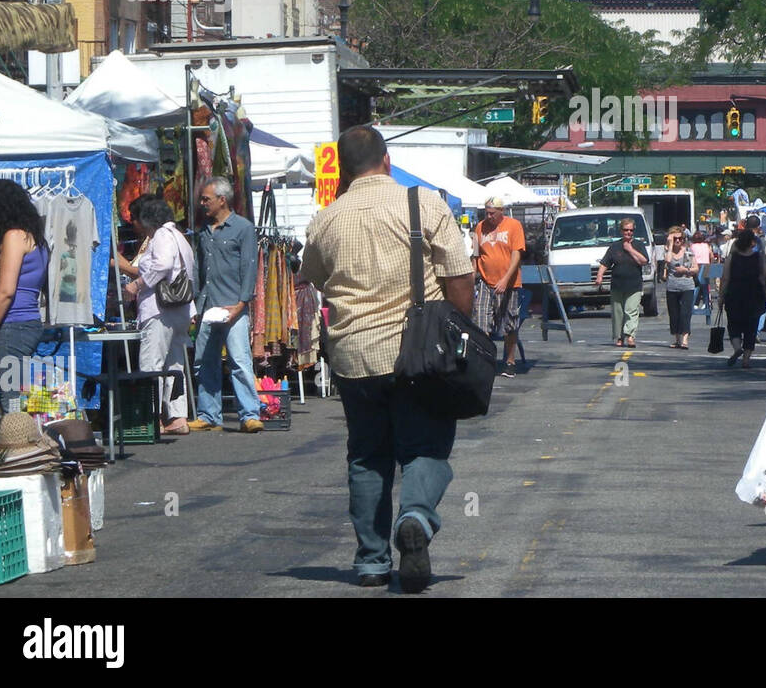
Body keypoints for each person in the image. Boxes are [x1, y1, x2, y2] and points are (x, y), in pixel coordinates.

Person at [299, 125, 474, 592]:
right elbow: (459, 279)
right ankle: (414, 516)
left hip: (354, 358)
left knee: (367, 457)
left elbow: (312, 277)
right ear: (387, 160)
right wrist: (456, 335)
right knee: (424, 450)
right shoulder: (425, 204)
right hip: (418, 356)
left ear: (342, 169)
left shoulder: (325, 219)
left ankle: (372, 562)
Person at [189, 177, 263, 433]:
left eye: (206, 199)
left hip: (234, 306)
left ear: (222, 199)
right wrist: (196, 305)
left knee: (239, 361)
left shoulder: (243, 228)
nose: (202, 203)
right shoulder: (203, 231)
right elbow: (199, 268)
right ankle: (209, 415)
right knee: (204, 360)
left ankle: (249, 414)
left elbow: (249, 267)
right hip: (208, 305)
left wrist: (242, 303)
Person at [122, 197, 194, 435]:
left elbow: (162, 265)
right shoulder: (179, 236)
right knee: (174, 364)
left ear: (146, 219)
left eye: (135, 218)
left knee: (151, 365)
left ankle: (152, 417)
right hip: (180, 310)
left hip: (159, 310)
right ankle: (177, 416)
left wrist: (138, 285)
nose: (133, 224)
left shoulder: (162, 236)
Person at [0, 180, 49, 406]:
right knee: (11, 397)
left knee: (11, 401)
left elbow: (6, 292)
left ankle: (17, 440)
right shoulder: (32, 236)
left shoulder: (15, 236)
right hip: (19, 324)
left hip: (13, 326)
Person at [471, 197, 525, 379]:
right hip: (486, 282)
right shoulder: (480, 227)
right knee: (481, 322)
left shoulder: (514, 226)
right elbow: (476, 255)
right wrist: (472, 277)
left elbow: (516, 254)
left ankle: (510, 361)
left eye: (492, 213)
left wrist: (506, 279)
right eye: (486, 212)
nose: (489, 216)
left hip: (509, 283)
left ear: (501, 211)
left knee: (510, 324)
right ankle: (485, 361)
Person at [720, 224, 766, 367]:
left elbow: (725, 278)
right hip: (754, 294)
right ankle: (746, 359)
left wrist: (721, 296)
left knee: (734, 324)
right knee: (751, 326)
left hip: (734, 293)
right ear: (752, 243)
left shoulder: (732, 258)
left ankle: (737, 348)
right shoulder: (758, 258)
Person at [595, 219, 648, 348]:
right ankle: (619, 337)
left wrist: (630, 249)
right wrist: (599, 276)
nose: (628, 232)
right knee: (618, 313)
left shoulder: (639, 245)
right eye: (626, 230)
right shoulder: (614, 246)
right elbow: (605, 263)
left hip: (634, 285)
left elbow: (644, 261)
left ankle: (630, 336)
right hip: (617, 285)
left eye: (631, 230)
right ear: (621, 231)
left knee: (631, 311)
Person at [664, 226, 697, 349]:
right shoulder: (668, 250)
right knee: (674, 314)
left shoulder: (688, 251)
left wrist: (685, 270)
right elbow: (667, 261)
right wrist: (670, 244)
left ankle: (685, 339)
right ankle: (677, 339)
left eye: (680, 238)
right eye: (675, 238)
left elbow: (696, 269)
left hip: (687, 286)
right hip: (672, 287)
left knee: (685, 313)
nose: (678, 241)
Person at [689, 231, 712, 310]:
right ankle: (707, 302)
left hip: (697, 265)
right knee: (705, 285)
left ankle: (695, 302)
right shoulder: (706, 245)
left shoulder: (692, 246)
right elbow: (711, 256)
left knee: (696, 284)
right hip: (706, 265)